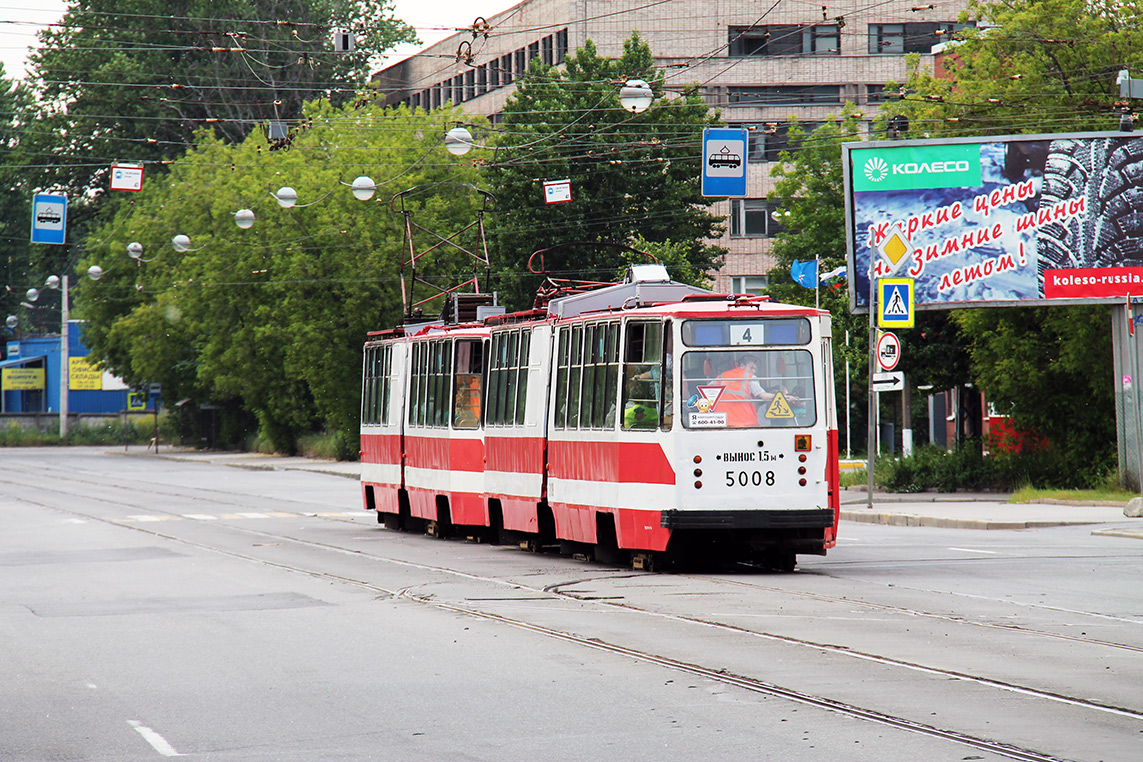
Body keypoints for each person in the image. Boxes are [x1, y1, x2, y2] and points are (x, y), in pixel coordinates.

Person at [716, 354, 782, 427]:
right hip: (744, 422)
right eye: (751, 367)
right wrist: (784, 397)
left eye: (755, 369)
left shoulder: (722, 376)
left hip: (721, 422)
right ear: (742, 365)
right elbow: (764, 396)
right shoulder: (750, 377)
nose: (753, 371)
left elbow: (707, 391)